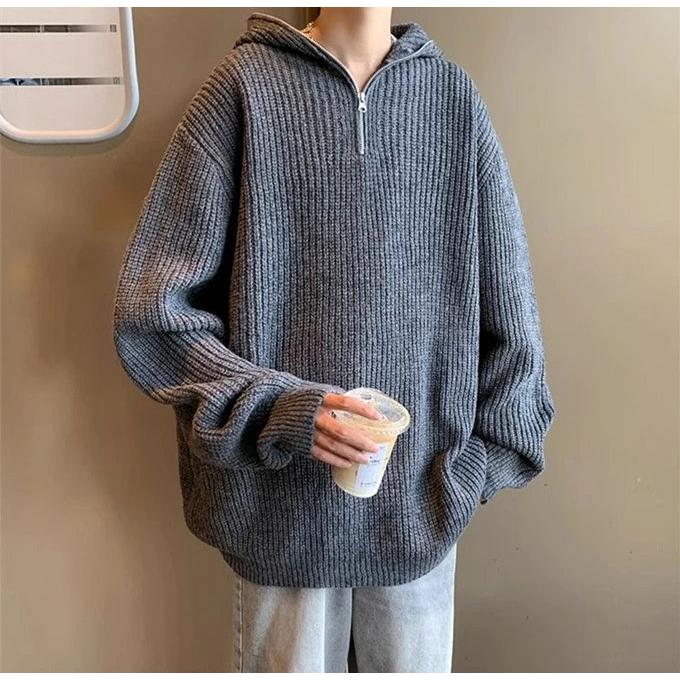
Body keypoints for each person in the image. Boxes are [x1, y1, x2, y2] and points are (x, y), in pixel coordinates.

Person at [112, 7, 556, 673]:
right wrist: (281, 411)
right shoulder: (243, 88)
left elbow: (513, 322)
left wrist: (467, 475)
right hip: (276, 519)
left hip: (420, 514)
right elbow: (152, 314)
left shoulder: (452, 101)